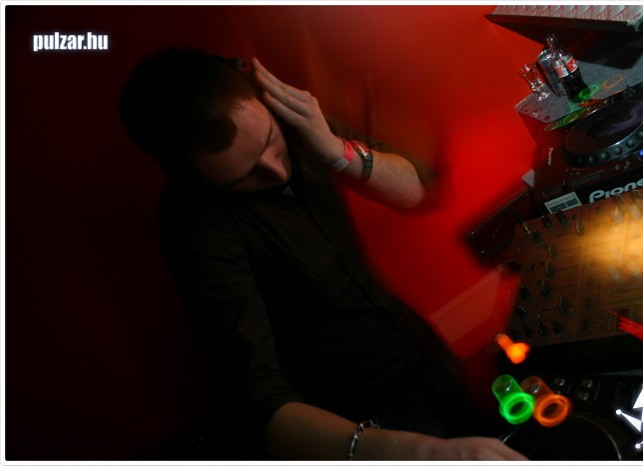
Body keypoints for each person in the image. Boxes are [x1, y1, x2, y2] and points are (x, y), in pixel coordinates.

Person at [119, 48, 527, 461]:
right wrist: (424, 453)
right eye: (246, 176)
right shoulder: (194, 227)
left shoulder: (290, 118)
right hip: (366, 424)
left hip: (423, 360)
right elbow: (260, 401)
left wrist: (336, 150)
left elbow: (416, 190)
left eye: (270, 142)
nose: (277, 171)